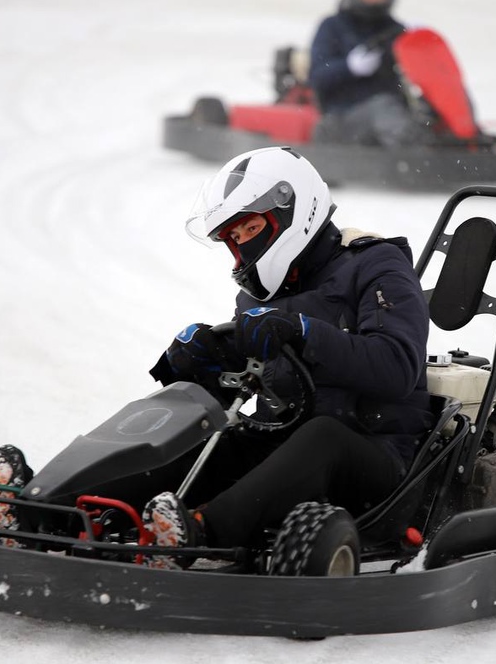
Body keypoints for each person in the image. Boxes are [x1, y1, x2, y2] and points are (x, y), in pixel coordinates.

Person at [142, 145, 431, 568]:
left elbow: (397, 368)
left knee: (322, 435)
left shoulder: (377, 265)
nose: (242, 249)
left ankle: (202, 533)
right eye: (233, 239)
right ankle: (65, 505)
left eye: (249, 229)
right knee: (219, 436)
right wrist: (198, 363)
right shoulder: (260, 297)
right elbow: (246, 384)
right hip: (287, 444)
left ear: (291, 210)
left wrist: (304, 331)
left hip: (377, 459)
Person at [308, 0, 426, 148]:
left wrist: (420, 46)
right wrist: (349, 68)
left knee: (408, 109)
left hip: (389, 122)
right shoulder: (332, 27)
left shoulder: (397, 32)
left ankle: (459, 144)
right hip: (339, 122)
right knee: (382, 107)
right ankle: (420, 157)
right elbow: (317, 78)